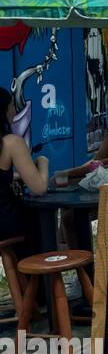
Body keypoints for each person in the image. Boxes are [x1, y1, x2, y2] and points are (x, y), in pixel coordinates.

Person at [0, 86, 48, 247]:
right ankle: (37, 270)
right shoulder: (11, 142)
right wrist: (42, 163)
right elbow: (38, 188)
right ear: (4, 110)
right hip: (5, 221)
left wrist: (15, 176)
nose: (15, 110)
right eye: (12, 105)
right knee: (35, 218)